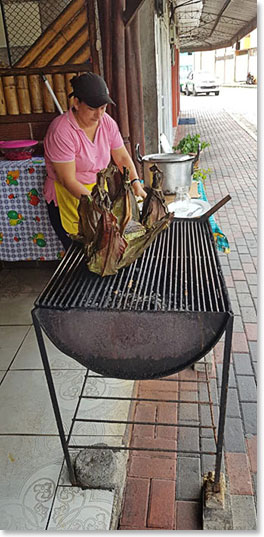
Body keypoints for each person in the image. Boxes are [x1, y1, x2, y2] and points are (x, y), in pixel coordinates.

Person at [44, 72, 146, 250]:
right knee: (79, 252)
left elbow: (121, 156)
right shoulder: (61, 131)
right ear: (76, 102)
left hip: (97, 193)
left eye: (103, 108)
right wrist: (96, 205)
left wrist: (136, 182)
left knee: (103, 247)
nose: (99, 115)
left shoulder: (107, 123)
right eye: (92, 109)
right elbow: (67, 180)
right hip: (69, 196)